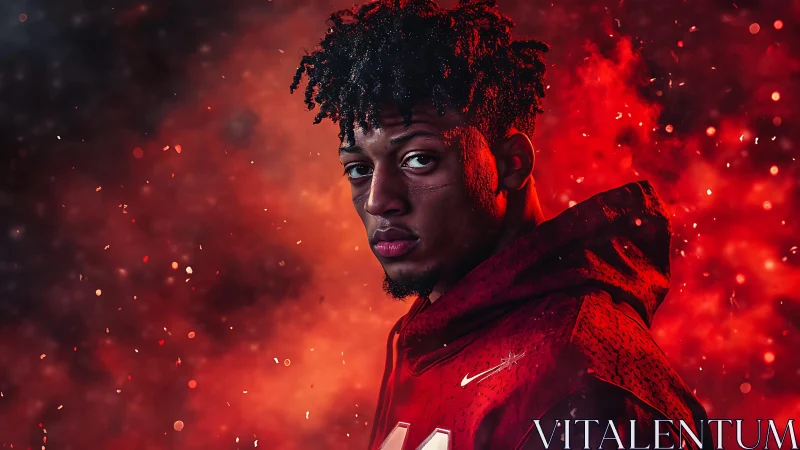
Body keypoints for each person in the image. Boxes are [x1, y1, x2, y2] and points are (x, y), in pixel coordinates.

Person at [290, 1, 712, 449]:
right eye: (359, 169)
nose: (378, 202)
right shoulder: (429, 336)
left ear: (511, 164)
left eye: (419, 159)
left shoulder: (581, 374)